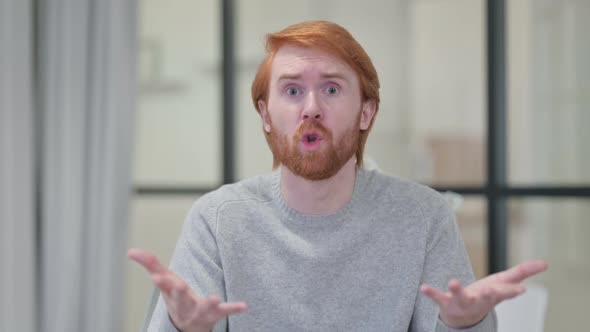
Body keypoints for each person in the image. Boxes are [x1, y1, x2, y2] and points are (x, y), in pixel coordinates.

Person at [128, 21, 547, 332]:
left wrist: (466, 325)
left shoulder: (423, 216)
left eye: (331, 89)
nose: (311, 107)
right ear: (266, 114)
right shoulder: (217, 219)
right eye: (292, 90)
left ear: (367, 112)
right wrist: (183, 328)